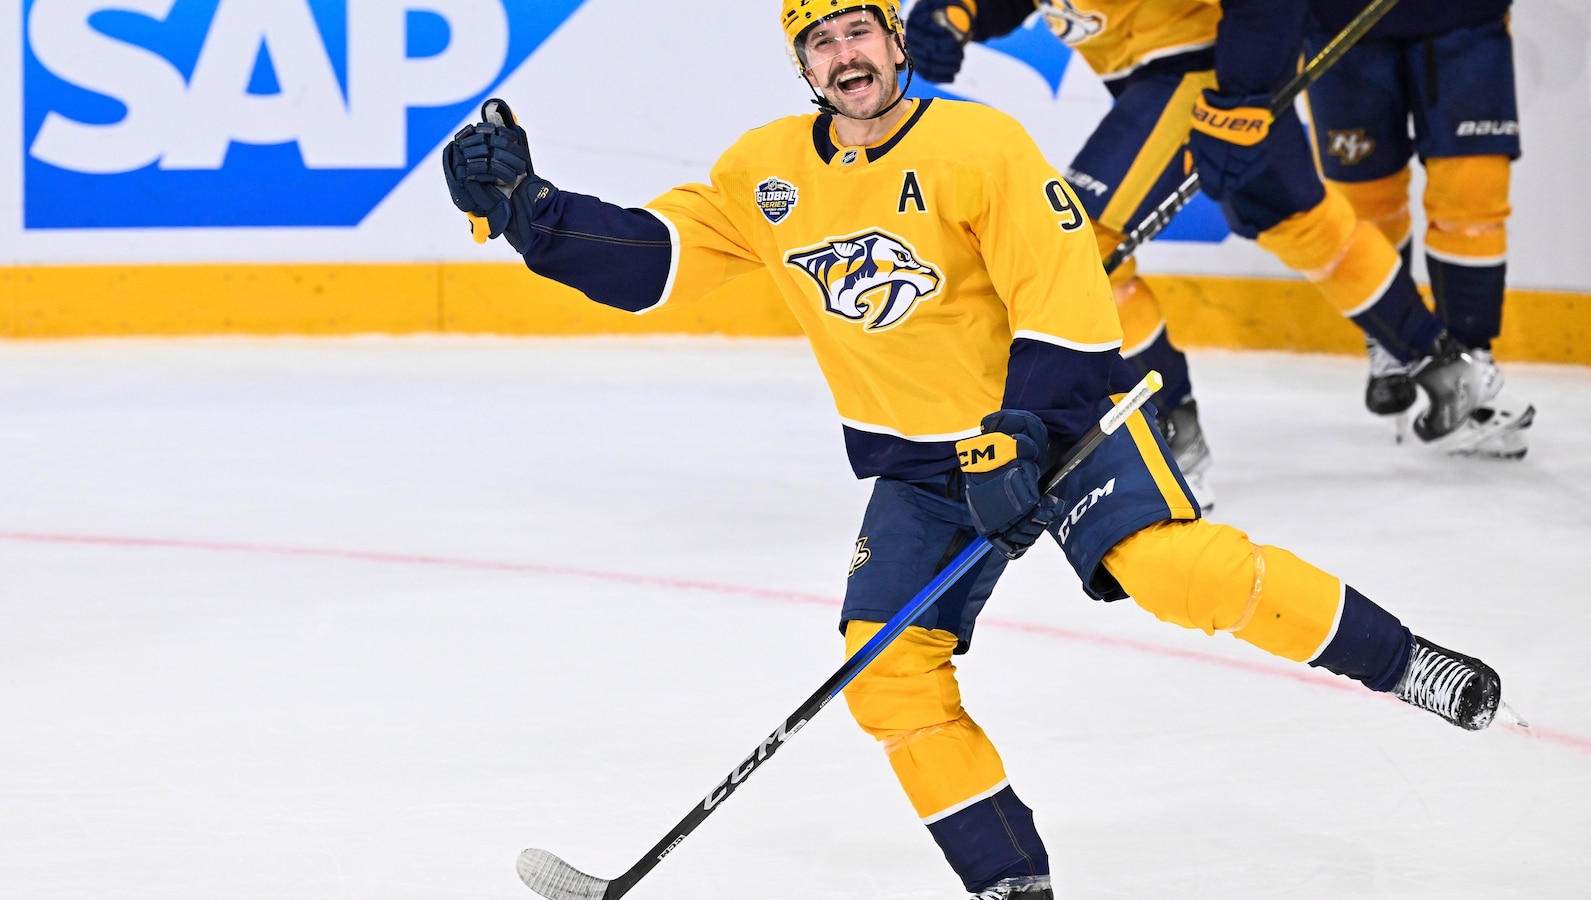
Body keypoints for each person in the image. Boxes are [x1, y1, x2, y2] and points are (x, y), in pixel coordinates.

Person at [441, 3, 1504, 897]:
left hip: (1061, 430)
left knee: (1179, 573)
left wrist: (1020, 433)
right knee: (888, 680)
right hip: (918, 465)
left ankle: (1400, 661)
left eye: (861, 31)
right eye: (822, 45)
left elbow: (1068, 298)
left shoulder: (981, 145)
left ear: (895, 45)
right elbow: (652, 263)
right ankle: (1009, 882)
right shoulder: (764, 172)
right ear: (801, 64)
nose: (846, 57)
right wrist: (533, 214)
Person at [902, 0, 1535, 503]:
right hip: (1206, 74)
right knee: (1305, 225)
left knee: (1075, 249)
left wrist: (1242, 100)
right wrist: (958, 9)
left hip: (1203, 74)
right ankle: (1444, 366)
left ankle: (1171, 438)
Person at [1305, 0, 1533, 457]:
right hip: (1339, 19)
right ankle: (1393, 343)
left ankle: (1470, 365)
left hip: (1465, 17)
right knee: (1367, 201)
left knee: (1472, 198)